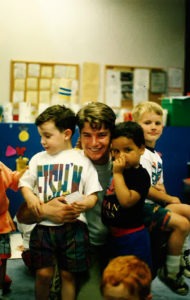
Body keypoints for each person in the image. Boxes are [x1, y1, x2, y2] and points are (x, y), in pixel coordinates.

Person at [17, 101, 116, 299]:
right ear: (77, 134)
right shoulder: (51, 160)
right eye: (87, 135)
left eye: (102, 135)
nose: (94, 142)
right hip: (76, 239)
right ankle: (56, 274)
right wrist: (45, 210)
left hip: (110, 243)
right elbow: (22, 215)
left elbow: (94, 197)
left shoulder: (122, 164)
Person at [132, 101, 190, 295]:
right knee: (182, 223)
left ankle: (182, 256)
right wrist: (169, 199)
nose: (153, 127)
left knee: (186, 211)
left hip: (154, 205)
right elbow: (145, 188)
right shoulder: (140, 154)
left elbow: (160, 184)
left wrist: (168, 198)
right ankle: (171, 272)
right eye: (147, 122)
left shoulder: (156, 155)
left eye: (157, 123)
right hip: (142, 208)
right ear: (136, 124)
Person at [101, 121, 152, 269]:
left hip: (133, 237)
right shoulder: (114, 168)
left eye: (127, 150)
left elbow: (126, 201)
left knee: (134, 277)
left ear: (141, 149)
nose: (120, 157)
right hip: (112, 236)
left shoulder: (140, 175)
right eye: (116, 151)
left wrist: (117, 173)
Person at [0, 161, 26, 296]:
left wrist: (23, 172)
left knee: (3, 256)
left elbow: (13, 180)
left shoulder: (0, 167)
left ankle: (2, 282)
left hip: (1, 223)